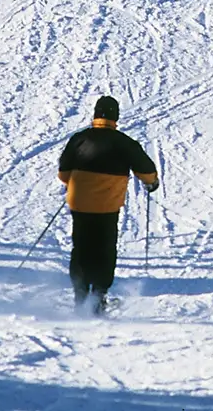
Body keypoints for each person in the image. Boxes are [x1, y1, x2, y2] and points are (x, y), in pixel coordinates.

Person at [58, 94, 160, 312]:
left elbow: (63, 173)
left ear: (95, 115)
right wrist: (152, 183)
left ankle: (80, 296)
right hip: (106, 207)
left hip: (80, 203)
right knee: (104, 249)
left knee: (81, 248)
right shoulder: (125, 143)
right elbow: (146, 170)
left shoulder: (79, 139)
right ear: (116, 117)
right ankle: (98, 296)